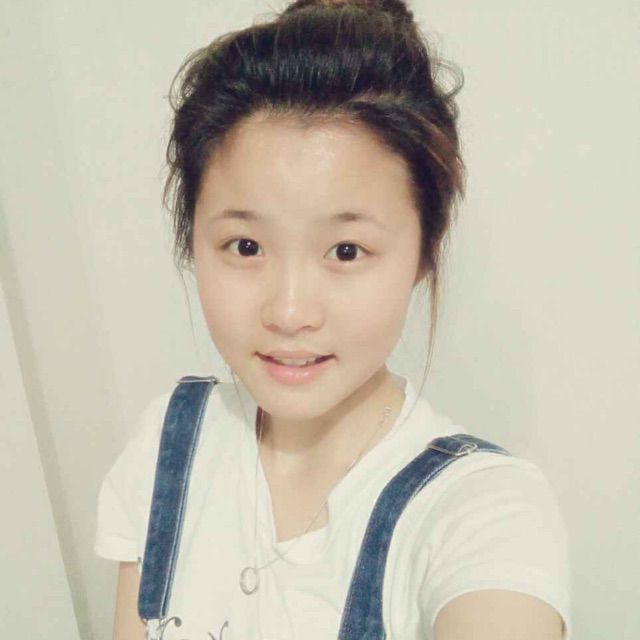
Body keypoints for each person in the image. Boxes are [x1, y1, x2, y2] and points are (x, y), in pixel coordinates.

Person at [94, 1, 571, 638]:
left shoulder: (483, 511)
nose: (289, 312)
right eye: (245, 246)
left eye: (346, 251)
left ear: (423, 252)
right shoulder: (169, 445)